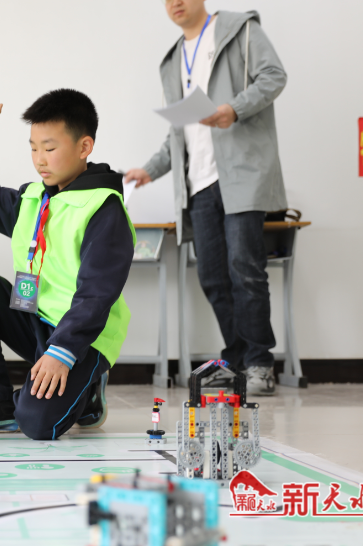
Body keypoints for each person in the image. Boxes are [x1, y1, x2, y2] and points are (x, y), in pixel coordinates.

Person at [0, 81, 136, 440]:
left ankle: (87, 386)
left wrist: (63, 352)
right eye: (33, 148)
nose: (39, 160)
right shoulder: (32, 199)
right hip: (33, 317)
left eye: (49, 148)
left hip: (81, 335)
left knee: (37, 422)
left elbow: (96, 295)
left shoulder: (103, 209)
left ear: (84, 147)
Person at [125, 0, 287, 395]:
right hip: (197, 184)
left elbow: (274, 76)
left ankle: (260, 363)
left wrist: (235, 108)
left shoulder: (239, 30)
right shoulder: (173, 60)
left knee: (245, 269)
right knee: (213, 277)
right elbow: (178, 132)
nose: (175, 3)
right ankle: (237, 361)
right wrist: (150, 169)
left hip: (241, 175)